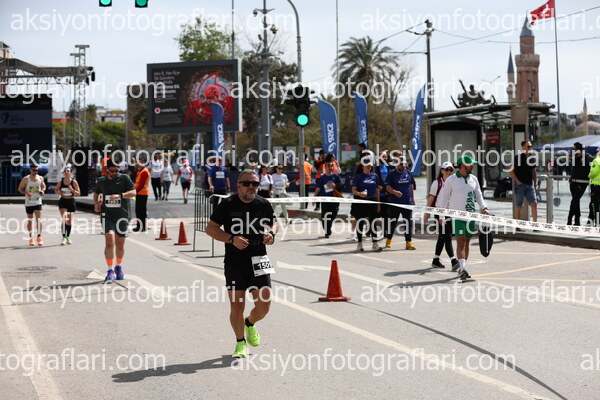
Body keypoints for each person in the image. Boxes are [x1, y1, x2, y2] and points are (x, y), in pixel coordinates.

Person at [205, 170, 278, 358]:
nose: (251, 187)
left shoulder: (263, 203)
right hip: (235, 261)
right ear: (238, 185)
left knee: (264, 306)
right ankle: (240, 342)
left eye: (255, 184)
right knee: (237, 306)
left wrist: (271, 233)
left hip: (259, 259)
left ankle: (250, 323)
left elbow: (275, 223)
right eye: (247, 183)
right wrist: (231, 239)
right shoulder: (227, 204)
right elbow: (211, 229)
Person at [436, 155, 490, 282]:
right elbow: (444, 198)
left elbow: (478, 195)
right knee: (460, 241)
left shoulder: (474, 179)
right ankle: (463, 269)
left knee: (466, 242)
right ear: (462, 166)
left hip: (471, 216)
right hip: (457, 216)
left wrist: (484, 208)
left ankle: (462, 267)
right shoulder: (451, 180)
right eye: (470, 165)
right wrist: (442, 215)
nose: (472, 167)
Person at [94, 159, 136, 281]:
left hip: (121, 215)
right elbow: (96, 193)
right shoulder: (101, 181)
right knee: (109, 241)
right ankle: (110, 270)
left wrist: (120, 195)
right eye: (112, 171)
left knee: (120, 245)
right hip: (107, 215)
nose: (114, 173)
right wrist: (96, 203)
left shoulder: (124, 178)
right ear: (107, 170)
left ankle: (118, 266)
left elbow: (134, 192)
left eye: (117, 171)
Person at [424, 162, 458, 270]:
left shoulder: (454, 183)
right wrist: (426, 213)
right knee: (447, 236)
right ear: (442, 171)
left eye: (451, 170)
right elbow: (431, 199)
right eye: (446, 169)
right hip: (439, 213)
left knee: (442, 237)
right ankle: (453, 261)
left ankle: (435, 260)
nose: (449, 172)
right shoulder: (437, 183)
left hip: (450, 213)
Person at [385, 157, 416, 250]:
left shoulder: (408, 173)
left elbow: (411, 186)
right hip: (395, 203)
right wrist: (394, 192)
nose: (403, 166)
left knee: (408, 222)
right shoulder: (391, 174)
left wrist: (413, 199)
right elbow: (387, 187)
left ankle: (408, 242)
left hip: (407, 202)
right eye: (401, 164)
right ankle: (389, 239)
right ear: (397, 164)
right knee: (392, 222)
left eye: (405, 164)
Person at [352, 164, 383, 252]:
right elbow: (353, 190)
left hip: (372, 201)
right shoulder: (358, 176)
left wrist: (378, 204)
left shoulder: (374, 175)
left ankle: (375, 244)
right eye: (367, 165)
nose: (369, 167)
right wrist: (359, 193)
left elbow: (377, 190)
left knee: (373, 222)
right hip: (361, 201)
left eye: (370, 165)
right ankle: (359, 244)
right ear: (362, 166)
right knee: (360, 222)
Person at [509, 140, 537, 226]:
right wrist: (517, 181)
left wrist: (535, 183)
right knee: (519, 205)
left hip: (530, 184)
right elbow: (511, 170)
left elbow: (534, 171)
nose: (530, 148)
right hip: (520, 185)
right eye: (528, 146)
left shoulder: (532, 158)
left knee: (534, 204)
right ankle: (518, 225)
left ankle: (535, 224)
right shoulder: (518, 157)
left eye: (531, 146)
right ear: (523, 147)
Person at [18, 164, 46, 246]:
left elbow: (43, 186)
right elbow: (20, 189)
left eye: (37, 170)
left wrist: (42, 191)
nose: (35, 172)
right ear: (30, 170)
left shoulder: (40, 178)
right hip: (29, 202)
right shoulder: (26, 179)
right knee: (30, 221)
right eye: (34, 170)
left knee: (39, 220)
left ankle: (39, 237)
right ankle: (31, 238)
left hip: (38, 201)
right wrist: (26, 193)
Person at [314, 162, 342, 238]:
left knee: (333, 214)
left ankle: (328, 227)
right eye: (328, 166)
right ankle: (327, 231)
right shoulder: (322, 178)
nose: (330, 168)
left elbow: (341, 186)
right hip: (325, 200)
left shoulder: (336, 177)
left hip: (334, 199)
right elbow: (318, 188)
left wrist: (335, 185)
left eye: (331, 166)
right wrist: (314, 198)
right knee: (325, 216)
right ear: (325, 168)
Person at [54, 167, 81, 245]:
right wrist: (60, 193)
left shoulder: (74, 182)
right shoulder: (61, 182)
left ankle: (68, 236)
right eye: (65, 171)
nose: (66, 172)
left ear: (71, 173)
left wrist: (72, 190)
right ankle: (63, 237)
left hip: (71, 201)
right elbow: (56, 190)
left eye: (68, 171)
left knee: (69, 221)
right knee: (64, 219)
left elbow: (78, 193)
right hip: (63, 201)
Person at [568, 142, 592, 226]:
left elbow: (588, 168)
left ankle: (569, 219)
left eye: (574, 149)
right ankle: (577, 221)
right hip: (573, 182)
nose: (573, 151)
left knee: (574, 201)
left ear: (579, 149)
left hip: (582, 183)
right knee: (576, 201)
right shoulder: (575, 158)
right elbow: (573, 170)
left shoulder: (587, 157)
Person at [133, 158, 150, 232]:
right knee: (138, 210)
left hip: (142, 193)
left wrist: (135, 192)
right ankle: (139, 226)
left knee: (141, 211)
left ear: (143, 163)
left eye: (138, 162)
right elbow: (137, 183)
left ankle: (142, 227)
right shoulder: (139, 171)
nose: (136, 164)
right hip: (140, 193)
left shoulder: (144, 172)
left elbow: (141, 184)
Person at [588, 149, 600, 226]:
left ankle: (597, 223)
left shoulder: (596, 160)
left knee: (595, 205)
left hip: (596, 185)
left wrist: (589, 176)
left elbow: (594, 172)